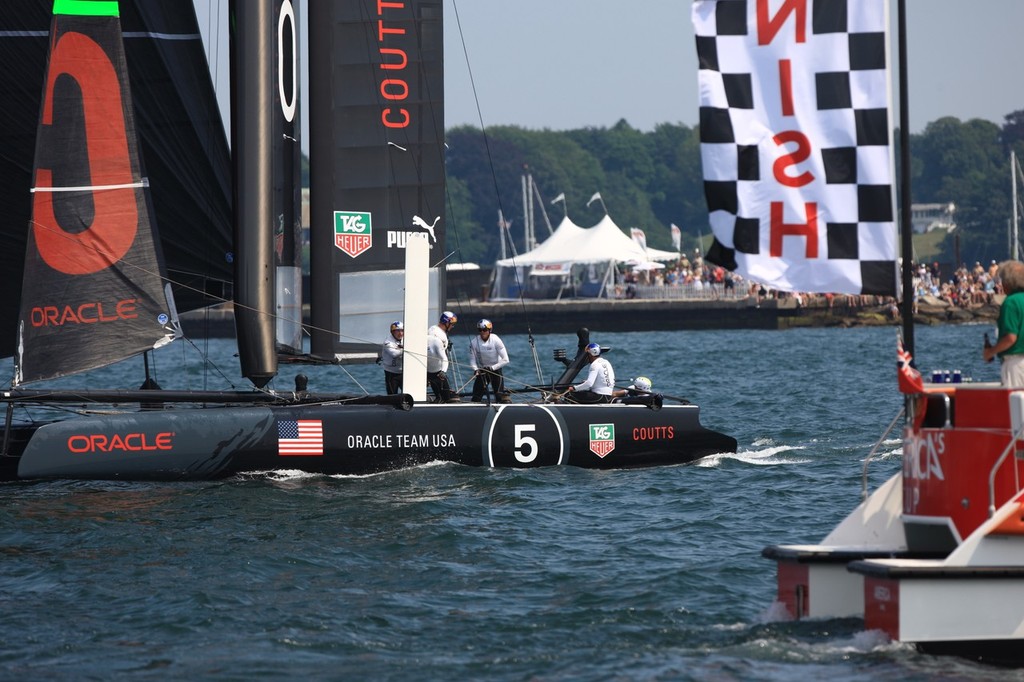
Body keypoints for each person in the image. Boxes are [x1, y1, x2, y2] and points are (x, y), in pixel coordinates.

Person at [983, 260, 1024, 387]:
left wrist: (991, 352)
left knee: (1015, 403)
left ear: (1008, 282)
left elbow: (1010, 338)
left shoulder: (1011, 302)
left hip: (1016, 363)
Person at [469, 319, 510, 403]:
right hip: (482, 371)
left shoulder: (496, 340)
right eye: (480, 330)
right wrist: (475, 369)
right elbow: (472, 360)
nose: (482, 332)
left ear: (490, 330)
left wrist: (492, 368)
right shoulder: (474, 342)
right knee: (475, 398)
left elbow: (506, 360)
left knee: (499, 396)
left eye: (485, 330)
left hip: (496, 370)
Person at [427, 311, 459, 402]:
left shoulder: (432, 328)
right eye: (452, 324)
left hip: (431, 370)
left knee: (439, 396)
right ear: (446, 322)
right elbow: (444, 358)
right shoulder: (441, 336)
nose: (453, 326)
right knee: (446, 398)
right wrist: (443, 372)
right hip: (438, 372)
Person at [380, 320, 404, 395]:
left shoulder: (405, 339)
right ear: (392, 332)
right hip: (391, 373)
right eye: (398, 331)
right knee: (392, 395)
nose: (400, 333)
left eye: (402, 331)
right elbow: (394, 354)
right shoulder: (387, 342)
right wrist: (406, 348)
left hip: (404, 373)